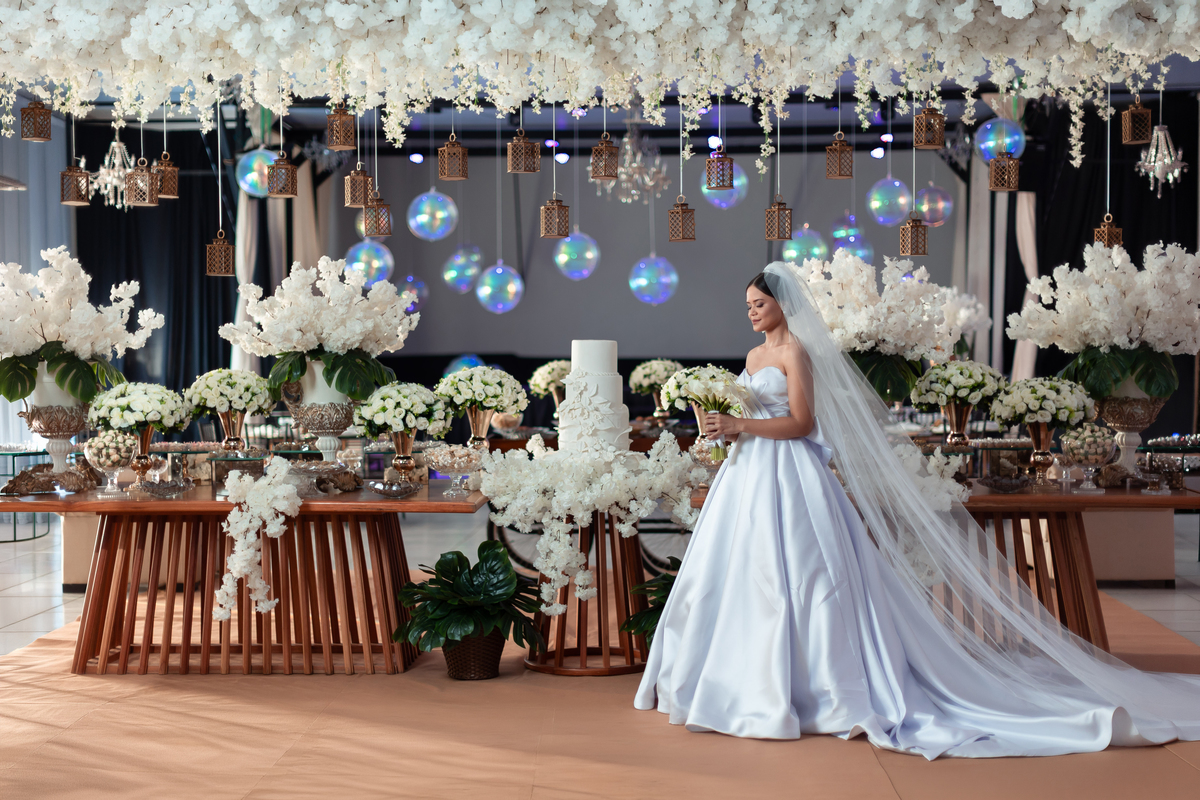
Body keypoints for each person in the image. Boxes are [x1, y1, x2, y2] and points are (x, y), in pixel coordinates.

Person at [634, 262, 1200, 759]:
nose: (752, 313)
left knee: (807, 575)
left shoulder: (795, 353)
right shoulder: (755, 356)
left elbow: (803, 424)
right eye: (748, 306)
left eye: (759, 303)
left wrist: (741, 422)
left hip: (792, 475)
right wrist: (726, 428)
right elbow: (755, 414)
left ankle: (818, 687)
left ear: (783, 304)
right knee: (743, 573)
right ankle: (739, 680)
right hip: (748, 474)